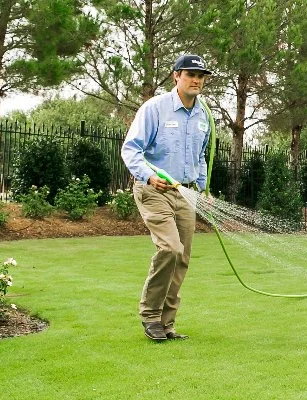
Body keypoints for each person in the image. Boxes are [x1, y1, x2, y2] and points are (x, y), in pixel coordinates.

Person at [121, 54, 215, 341]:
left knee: (182, 257)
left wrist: (203, 189)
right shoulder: (155, 108)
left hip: (185, 193)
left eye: (200, 76)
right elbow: (131, 149)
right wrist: (149, 177)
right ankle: (150, 316)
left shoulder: (204, 116)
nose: (196, 80)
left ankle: (167, 324)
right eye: (190, 74)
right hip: (154, 190)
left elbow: (200, 157)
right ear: (176, 76)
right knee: (170, 249)